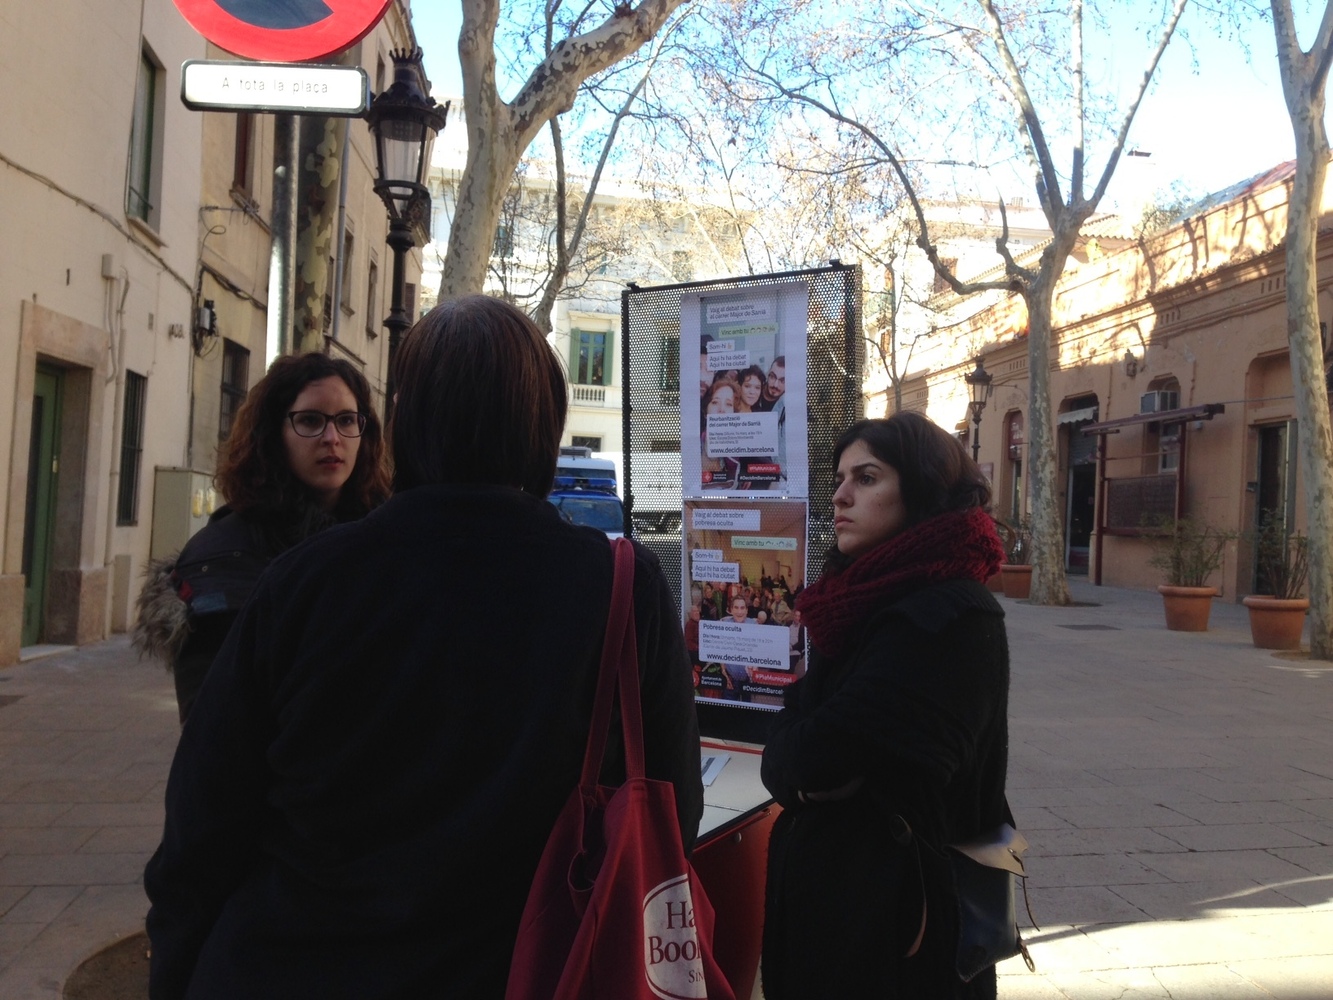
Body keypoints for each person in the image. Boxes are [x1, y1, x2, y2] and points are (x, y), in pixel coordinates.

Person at [143, 295, 704, 999]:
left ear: (405, 421)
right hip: (530, 970)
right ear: (544, 424)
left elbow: (204, 824)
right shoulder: (619, 586)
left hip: (298, 964)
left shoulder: (303, 582)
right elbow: (673, 811)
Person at [760, 412, 1009, 1000]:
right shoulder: (854, 601)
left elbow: (817, 756)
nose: (841, 495)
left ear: (921, 490)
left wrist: (800, 756)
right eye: (840, 479)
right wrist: (799, 753)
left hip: (902, 936)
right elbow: (799, 737)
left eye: (867, 478)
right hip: (843, 919)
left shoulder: (949, 616)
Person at [132, 353, 390, 723]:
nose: (332, 438)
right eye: (310, 420)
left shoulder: (387, 538)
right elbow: (213, 726)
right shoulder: (221, 558)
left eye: (347, 420)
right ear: (273, 432)